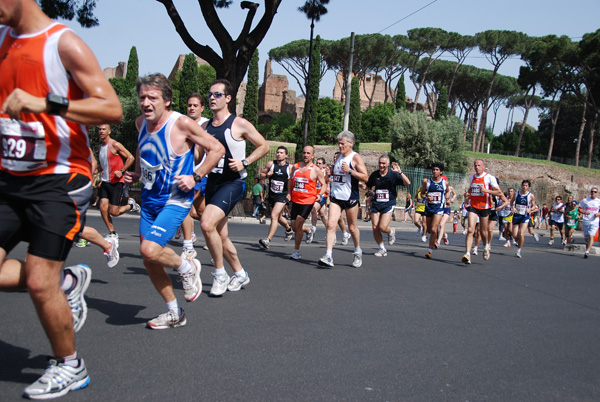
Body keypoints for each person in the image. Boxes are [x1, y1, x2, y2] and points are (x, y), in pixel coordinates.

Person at [0, 1, 123, 398]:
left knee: (38, 279)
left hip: (60, 179)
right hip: (10, 178)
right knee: (43, 281)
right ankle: (66, 282)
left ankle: (70, 365)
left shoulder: (62, 43)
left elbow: (112, 107)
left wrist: (45, 103)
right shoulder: (2, 40)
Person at [124, 74, 225, 329]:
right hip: (149, 200)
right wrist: (137, 171)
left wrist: (195, 176)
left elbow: (217, 149)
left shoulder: (181, 124)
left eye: (152, 98)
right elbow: (141, 147)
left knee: (149, 249)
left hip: (175, 199)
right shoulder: (140, 123)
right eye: (142, 98)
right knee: (149, 259)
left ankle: (187, 265)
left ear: (167, 100)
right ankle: (174, 312)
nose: (146, 103)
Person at [200, 79, 269, 295]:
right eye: (210, 94)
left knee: (206, 223)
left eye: (217, 94)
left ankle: (220, 274)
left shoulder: (238, 124)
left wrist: (245, 162)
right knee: (220, 235)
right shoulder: (204, 126)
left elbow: (264, 146)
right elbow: (198, 155)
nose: (212, 97)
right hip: (213, 182)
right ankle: (240, 273)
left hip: (233, 182)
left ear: (228, 98)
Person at [318, 131, 369, 268]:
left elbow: (366, 177)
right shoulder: (338, 157)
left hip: (350, 197)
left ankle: (357, 251)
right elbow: (336, 177)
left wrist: (351, 171)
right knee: (331, 224)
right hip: (336, 196)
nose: (340, 146)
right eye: (339, 143)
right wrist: (330, 174)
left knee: (352, 228)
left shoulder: (355, 158)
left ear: (351, 143)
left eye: (342, 143)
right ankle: (328, 255)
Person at [178, 93, 211, 259]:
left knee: (185, 208)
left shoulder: (205, 124)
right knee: (200, 211)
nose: (191, 108)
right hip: (185, 173)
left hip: (200, 174)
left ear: (202, 108)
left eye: (195, 105)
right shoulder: (183, 123)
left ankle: (188, 246)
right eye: (189, 105)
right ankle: (215, 237)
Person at [96, 124, 139, 244]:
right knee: (102, 207)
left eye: (104, 129)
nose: (101, 131)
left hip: (116, 182)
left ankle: (131, 205)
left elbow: (130, 157)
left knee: (113, 212)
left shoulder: (115, 145)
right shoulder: (101, 147)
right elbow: (102, 164)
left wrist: (122, 171)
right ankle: (112, 233)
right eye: (99, 129)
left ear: (109, 132)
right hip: (105, 181)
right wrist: (94, 171)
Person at [287, 146, 326, 260]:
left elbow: (323, 184)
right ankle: (309, 230)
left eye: (308, 153)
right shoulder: (296, 167)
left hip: (308, 201)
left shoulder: (315, 170)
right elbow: (290, 180)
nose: (305, 155)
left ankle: (296, 251)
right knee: (294, 227)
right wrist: (289, 193)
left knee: (298, 223)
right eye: (304, 153)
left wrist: (319, 194)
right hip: (295, 200)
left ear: (312, 155)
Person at [366, 156, 410, 257]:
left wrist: (400, 172)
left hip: (388, 203)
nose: (381, 165)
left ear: (388, 164)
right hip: (376, 203)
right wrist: (364, 187)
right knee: (375, 227)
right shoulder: (375, 174)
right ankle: (382, 249)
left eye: (383, 163)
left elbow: (407, 183)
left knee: (382, 227)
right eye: (380, 163)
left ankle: (391, 231)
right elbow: (368, 185)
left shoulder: (393, 174)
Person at [461, 159, 502, 264]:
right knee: (470, 230)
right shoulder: (472, 177)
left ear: (484, 166)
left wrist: (486, 191)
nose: (477, 167)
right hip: (473, 206)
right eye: (475, 165)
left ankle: (485, 247)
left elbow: (499, 192)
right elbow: (471, 189)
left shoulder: (489, 177)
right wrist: (468, 194)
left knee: (483, 232)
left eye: (479, 165)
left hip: (485, 207)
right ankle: (468, 254)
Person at [258, 146, 294, 249]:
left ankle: (267, 240)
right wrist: (267, 175)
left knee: (274, 215)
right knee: (278, 217)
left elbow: (294, 181)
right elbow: (261, 175)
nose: (279, 154)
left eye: (281, 152)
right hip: (272, 194)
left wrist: (290, 193)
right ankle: (288, 229)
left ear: (286, 155)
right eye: (278, 152)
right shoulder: (271, 164)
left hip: (283, 195)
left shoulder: (290, 167)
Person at [423, 163, 450, 259]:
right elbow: (422, 194)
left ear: (441, 172)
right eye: (433, 169)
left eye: (437, 170)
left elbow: (447, 192)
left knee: (434, 228)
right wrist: (427, 197)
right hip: (429, 207)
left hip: (439, 208)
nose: (435, 171)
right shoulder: (427, 182)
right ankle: (434, 239)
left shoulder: (444, 183)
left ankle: (429, 251)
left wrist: (447, 199)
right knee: (430, 230)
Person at [511, 180, 538, 258]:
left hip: (525, 216)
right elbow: (511, 202)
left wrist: (530, 209)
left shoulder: (531, 195)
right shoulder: (516, 194)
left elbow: (534, 205)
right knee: (515, 235)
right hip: (517, 215)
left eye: (526, 185)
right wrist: (513, 208)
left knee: (522, 233)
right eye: (523, 185)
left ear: (528, 187)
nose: (524, 187)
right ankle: (518, 241)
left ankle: (518, 250)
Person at [307, 157, 329, 241]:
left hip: (323, 195)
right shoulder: (314, 171)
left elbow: (326, 180)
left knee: (313, 208)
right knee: (322, 214)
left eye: (320, 163)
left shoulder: (324, 172)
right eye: (317, 163)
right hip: (314, 195)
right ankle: (330, 230)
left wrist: (328, 174)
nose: (318, 164)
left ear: (323, 165)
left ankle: (312, 230)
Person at [578, 187, 600, 258]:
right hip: (586, 221)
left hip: (594, 221)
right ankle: (589, 244)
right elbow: (579, 208)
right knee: (586, 238)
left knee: (591, 236)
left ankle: (587, 251)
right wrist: (584, 212)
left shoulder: (598, 201)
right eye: (592, 191)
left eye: (595, 192)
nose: (593, 193)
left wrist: (598, 214)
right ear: (590, 192)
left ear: (597, 193)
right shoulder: (585, 200)